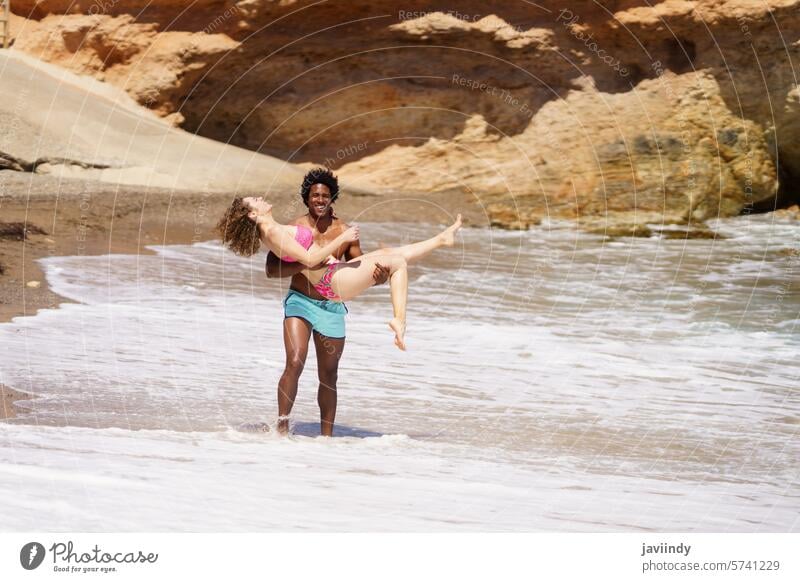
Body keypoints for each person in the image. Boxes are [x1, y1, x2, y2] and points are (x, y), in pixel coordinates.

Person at [216, 171, 461, 435]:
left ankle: (326, 438)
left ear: (332, 197)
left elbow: (360, 265)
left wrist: (377, 277)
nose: (320, 199)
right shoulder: (287, 228)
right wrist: (327, 253)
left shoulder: (330, 229)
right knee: (295, 361)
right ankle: (282, 427)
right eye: (314, 195)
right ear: (306, 198)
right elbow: (275, 269)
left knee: (390, 258)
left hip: (332, 300)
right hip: (306, 298)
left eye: (324, 195)